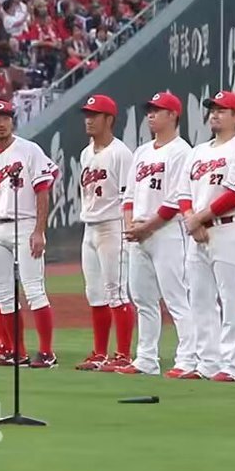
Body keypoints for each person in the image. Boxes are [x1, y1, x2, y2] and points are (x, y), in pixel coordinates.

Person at [176, 90, 235, 381]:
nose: (214, 113)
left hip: (231, 229)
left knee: (232, 301)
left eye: (222, 110)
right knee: (200, 300)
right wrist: (192, 219)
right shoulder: (198, 152)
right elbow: (183, 193)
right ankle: (207, 363)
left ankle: (232, 366)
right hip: (199, 232)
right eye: (212, 109)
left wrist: (199, 218)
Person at [0, 100, 58, 368]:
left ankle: (46, 352)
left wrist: (39, 230)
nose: (1, 122)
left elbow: (43, 190)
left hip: (25, 224)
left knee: (34, 290)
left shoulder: (29, 150)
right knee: (4, 293)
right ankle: (16, 352)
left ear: (12, 120)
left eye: (5, 117)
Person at [122, 91, 195, 376]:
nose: (151, 114)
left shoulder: (182, 152)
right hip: (138, 233)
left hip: (168, 231)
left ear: (174, 115)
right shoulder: (141, 152)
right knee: (142, 299)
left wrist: (147, 227)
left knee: (176, 297)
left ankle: (188, 359)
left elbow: (176, 199)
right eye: (149, 110)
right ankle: (146, 359)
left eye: (158, 110)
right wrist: (131, 225)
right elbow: (128, 196)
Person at [74, 94, 136, 372]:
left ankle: (122, 354)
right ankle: (100, 353)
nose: (88, 120)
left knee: (116, 291)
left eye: (94, 115)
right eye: (87, 114)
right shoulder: (86, 152)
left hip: (113, 226)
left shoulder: (121, 153)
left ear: (109, 119)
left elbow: (128, 196)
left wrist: (128, 226)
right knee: (94, 292)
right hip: (90, 226)